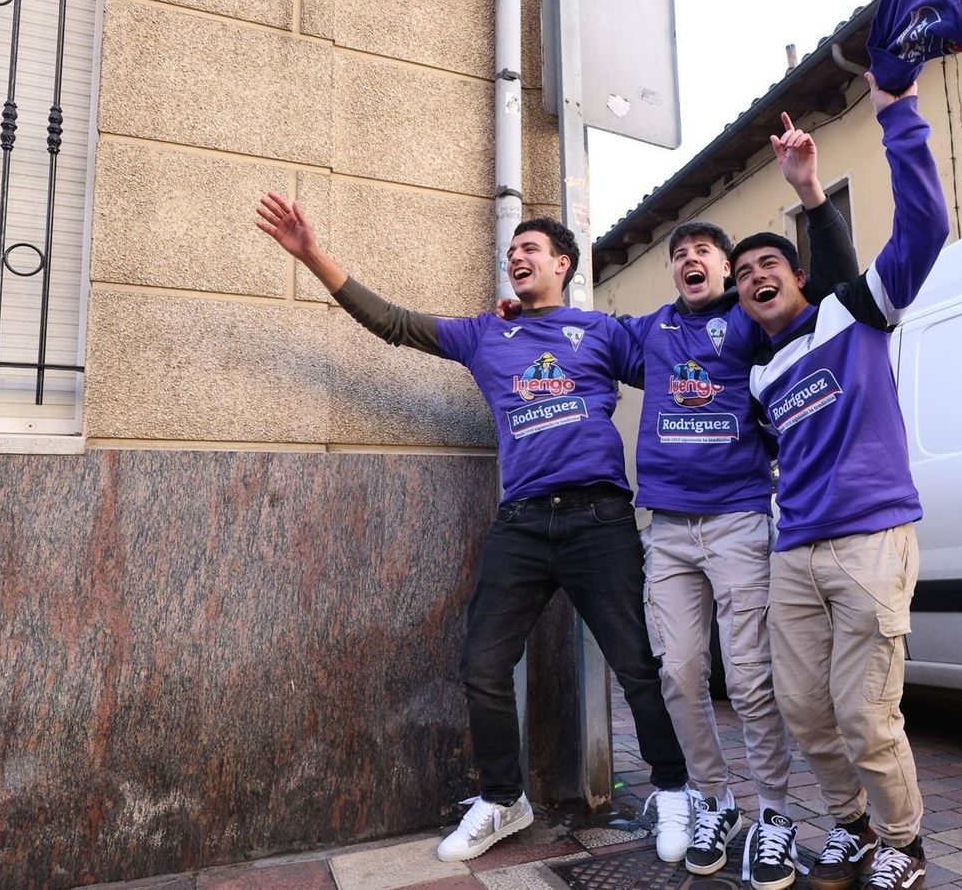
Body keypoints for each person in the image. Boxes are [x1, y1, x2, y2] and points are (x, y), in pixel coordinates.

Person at [254, 201, 692, 863]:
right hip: (521, 522)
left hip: (597, 518)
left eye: (531, 250)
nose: (518, 258)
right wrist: (312, 255)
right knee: (483, 664)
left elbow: (676, 364)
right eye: (512, 252)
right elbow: (395, 324)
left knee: (636, 664)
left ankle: (675, 791)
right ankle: (502, 799)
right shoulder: (487, 334)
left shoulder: (599, 331)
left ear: (563, 264)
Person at [619, 115, 859, 876]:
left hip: (737, 523)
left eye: (704, 252)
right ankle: (714, 802)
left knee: (751, 679)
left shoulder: (751, 323)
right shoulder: (651, 330)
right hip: (666, 531)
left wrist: (811, 194)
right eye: (680, 254)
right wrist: (523, 319)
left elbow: (821, 294)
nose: (691, 259)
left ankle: (775, 813)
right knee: (680, 673)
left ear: (727, 271)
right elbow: (582, 342)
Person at [731, 71, 951, 890]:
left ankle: (905, 842)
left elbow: (925, 228)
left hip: (870, 539)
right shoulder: (758, 378)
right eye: (743, 272)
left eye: (768, 263)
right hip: (797, 553)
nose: (755, 275)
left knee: (866, 715)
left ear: (796, 277)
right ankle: (852, 828)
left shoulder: (854, 313)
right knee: (807, 715)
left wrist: (896, 116)